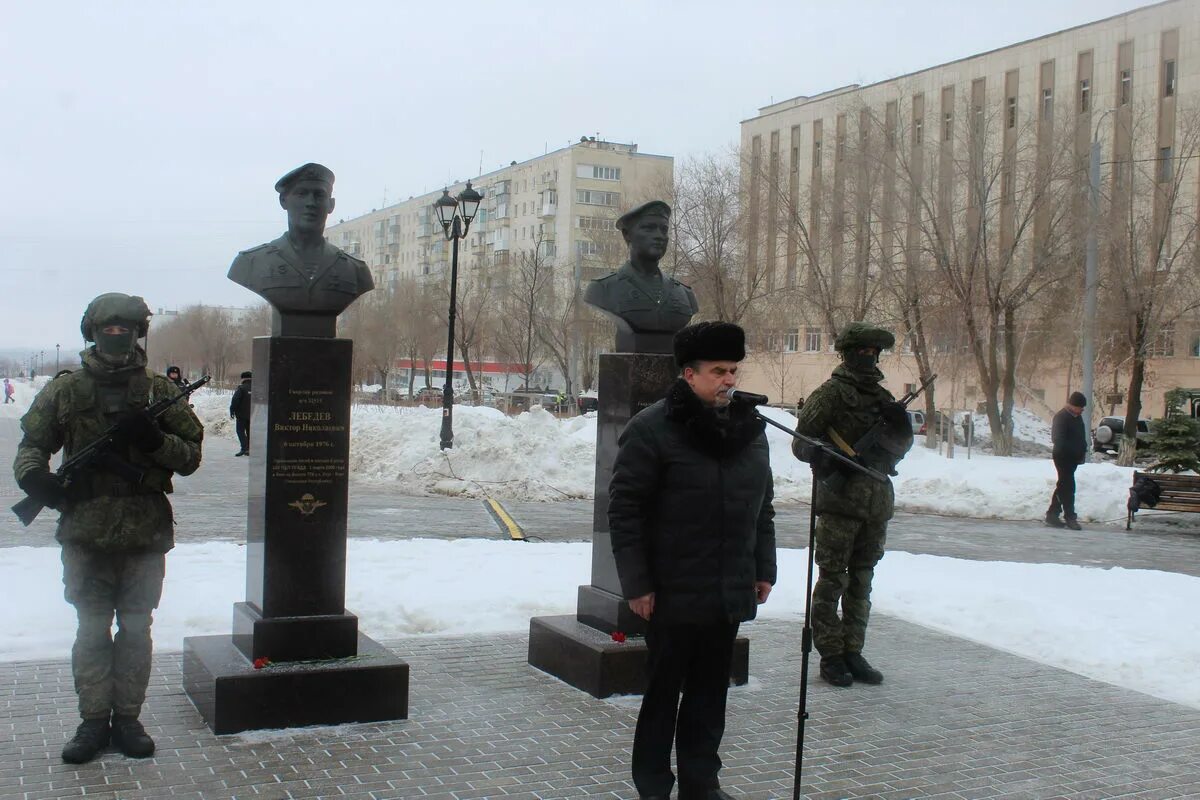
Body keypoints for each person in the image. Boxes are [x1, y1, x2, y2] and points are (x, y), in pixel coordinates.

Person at [12, 293, 203, 764]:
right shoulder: (66, 390)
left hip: (143, 534)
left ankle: (128, 719)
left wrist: (156, 440)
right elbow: (32, 444)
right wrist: (36, 479)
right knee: (92, 631)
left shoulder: (159, 392)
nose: (116, 336)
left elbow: (191, 457)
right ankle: (93, 721)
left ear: (138, 333)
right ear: (91, 331)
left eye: (126, 328)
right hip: (85, 534)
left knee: (136, 630)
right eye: (107, 328)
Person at [608, 320, 776, 800]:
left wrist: (763, 567)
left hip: (728, 587)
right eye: (718, 371)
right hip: (672, 591)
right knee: (664, 696)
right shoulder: (652, 428)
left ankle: (702, 782)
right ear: (689, 373)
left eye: (734, 371)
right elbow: (625, 510)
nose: (729, 380)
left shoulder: (749, 431)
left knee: (710, 695)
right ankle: (654, 785)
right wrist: (637, 584)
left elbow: (763, 505)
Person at [791, 322, 913, 688]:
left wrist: (901, 428)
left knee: (862, 582)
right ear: (847, 354)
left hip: (876, 504)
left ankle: (853, 650)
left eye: (873, 353)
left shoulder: (882, 399)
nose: (868, 358)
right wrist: (827, 458)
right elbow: (801, 443)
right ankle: (831, 654)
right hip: (840, 505)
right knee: (832, 582)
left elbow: (898, 450)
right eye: (861, 351)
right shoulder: (830, 394)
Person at [227, 163, 374, 336]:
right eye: (301, 194)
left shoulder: (356, 270)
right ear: (283, 201)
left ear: (331, 205)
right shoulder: (250, 263)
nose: (311, 203)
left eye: (319, 195)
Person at [583, 200, 700, 354]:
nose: (659, 236)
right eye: (649, 228)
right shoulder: (603, 288)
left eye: (664, 230)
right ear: (627, 235)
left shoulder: (685, 294)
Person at [1046, 391, 1088, 531]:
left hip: (1073, 458)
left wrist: (1082, 449)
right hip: (1063, 457)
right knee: (1069, 487)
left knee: (1063, 486)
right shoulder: (1061, 417)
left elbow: (1080, 435)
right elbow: (1058, 440)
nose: (1082, 410)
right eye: (1080, 407)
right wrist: (1073, 450)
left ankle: (1052, 515)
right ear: (1073, 405)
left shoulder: (1077, 417)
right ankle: (1070, 517)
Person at [230, 371, 252, 456]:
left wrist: (232, 410)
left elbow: (235, 400)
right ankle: (249, 449)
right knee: (250, 431)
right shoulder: (257, 388)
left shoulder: (241, 388)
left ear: (243, 379)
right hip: (253, 415)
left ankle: (244, 448)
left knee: (240, 431)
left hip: (241, 415)